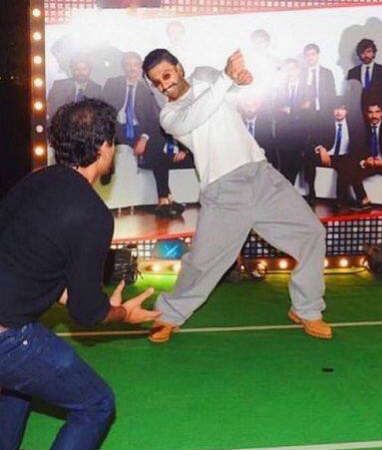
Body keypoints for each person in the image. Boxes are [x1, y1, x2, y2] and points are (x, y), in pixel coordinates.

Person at [0, 98, 159, 450]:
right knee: (96, 404)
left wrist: (81, 296)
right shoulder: (92, 214)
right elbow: (86, 313)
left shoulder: (36, 179)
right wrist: (122, 313)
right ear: (103, 147)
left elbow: (27, 258)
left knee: (17, 386)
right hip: (7, 338)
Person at [142, 49, 331, 342]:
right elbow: (200, 111)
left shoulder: (206, 77)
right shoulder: (169, 116)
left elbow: (237, 92)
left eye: (166, 75)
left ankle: (307, 309)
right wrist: (226, 80)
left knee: (312, 234)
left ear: (178, 68)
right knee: (202, 262)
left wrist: (242, 80)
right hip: (223, 191)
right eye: (156, 83)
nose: (164, 85)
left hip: (262, 176)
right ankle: (169, 315)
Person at [101, 51, 186, 217]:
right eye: (128, 65)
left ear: (141, 68)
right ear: (123, 67)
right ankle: (167, 199)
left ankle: (163, 199)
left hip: (139, 131)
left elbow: (154, 118)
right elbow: (103, 111)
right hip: (117, 131)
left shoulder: (149, 88)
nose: (131, 69)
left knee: (157, 145)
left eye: (135, 65)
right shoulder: (113, 84)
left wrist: (144, 138)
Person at [304, 96, 366, 209]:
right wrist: (321, 149)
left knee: (346, 167)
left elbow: (358, 146)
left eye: (342, 109)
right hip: (327, 154)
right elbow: (312, 139)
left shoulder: (354, 126)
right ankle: (311, 193)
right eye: (336, 109)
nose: (338, 112)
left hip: (343, 157)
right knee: (309, 159)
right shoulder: (325, 123)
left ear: (347, 111)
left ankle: (340, 200)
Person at [47, 53, 102, 119]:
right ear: (72, 71)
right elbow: (51, 108)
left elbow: (98, 113)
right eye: (77, 69)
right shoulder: (59, 86)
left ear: (90, 70)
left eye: (84, 69)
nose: (80, 72)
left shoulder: (97, 89)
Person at [347, 38, 382, 114]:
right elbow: (349, 97)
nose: (366, 55)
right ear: (359, 54)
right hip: (358, 114)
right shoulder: (352, 72)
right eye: (362, 52)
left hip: (377, 114)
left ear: (374, 53)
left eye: (368, 51)